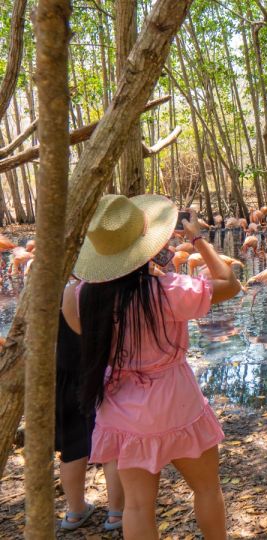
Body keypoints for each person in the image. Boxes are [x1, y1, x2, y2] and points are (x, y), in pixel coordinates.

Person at [62, 194, 241, 539]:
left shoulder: (77, 297)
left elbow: (85, 334)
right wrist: (197, 238)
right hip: (178, 404)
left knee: (137, 506)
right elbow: (230, 284)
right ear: (146, 245)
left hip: (122, 409)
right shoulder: (170, 291)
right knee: (206, 489)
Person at [56, 289, 123, 532]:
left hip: (65, 376)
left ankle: (75, 512)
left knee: (72, 447)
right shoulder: (101, 289)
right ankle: (116, 514)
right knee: (112, 446)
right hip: (99, 375)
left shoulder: (57, 289)